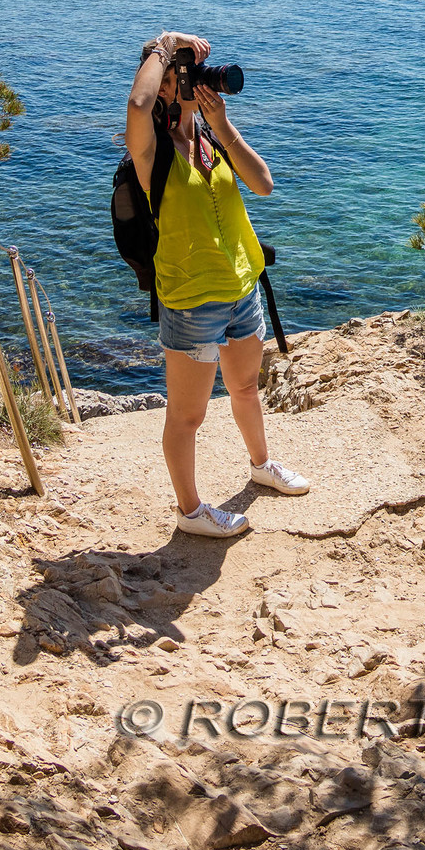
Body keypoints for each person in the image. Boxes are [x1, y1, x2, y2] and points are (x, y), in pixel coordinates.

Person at [126, 29, 309, 538]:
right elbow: (137, 106)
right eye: (180, 74)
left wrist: (222, 124)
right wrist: (162, 47)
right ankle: (190, 512)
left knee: (247, 387)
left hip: (241, 290)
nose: (191, 80)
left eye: (190, 71)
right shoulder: (151, 151)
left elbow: (264, 184)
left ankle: (261, 465)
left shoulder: (210, 140)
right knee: (188, 417)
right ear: (164, 84)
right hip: (190, 303)